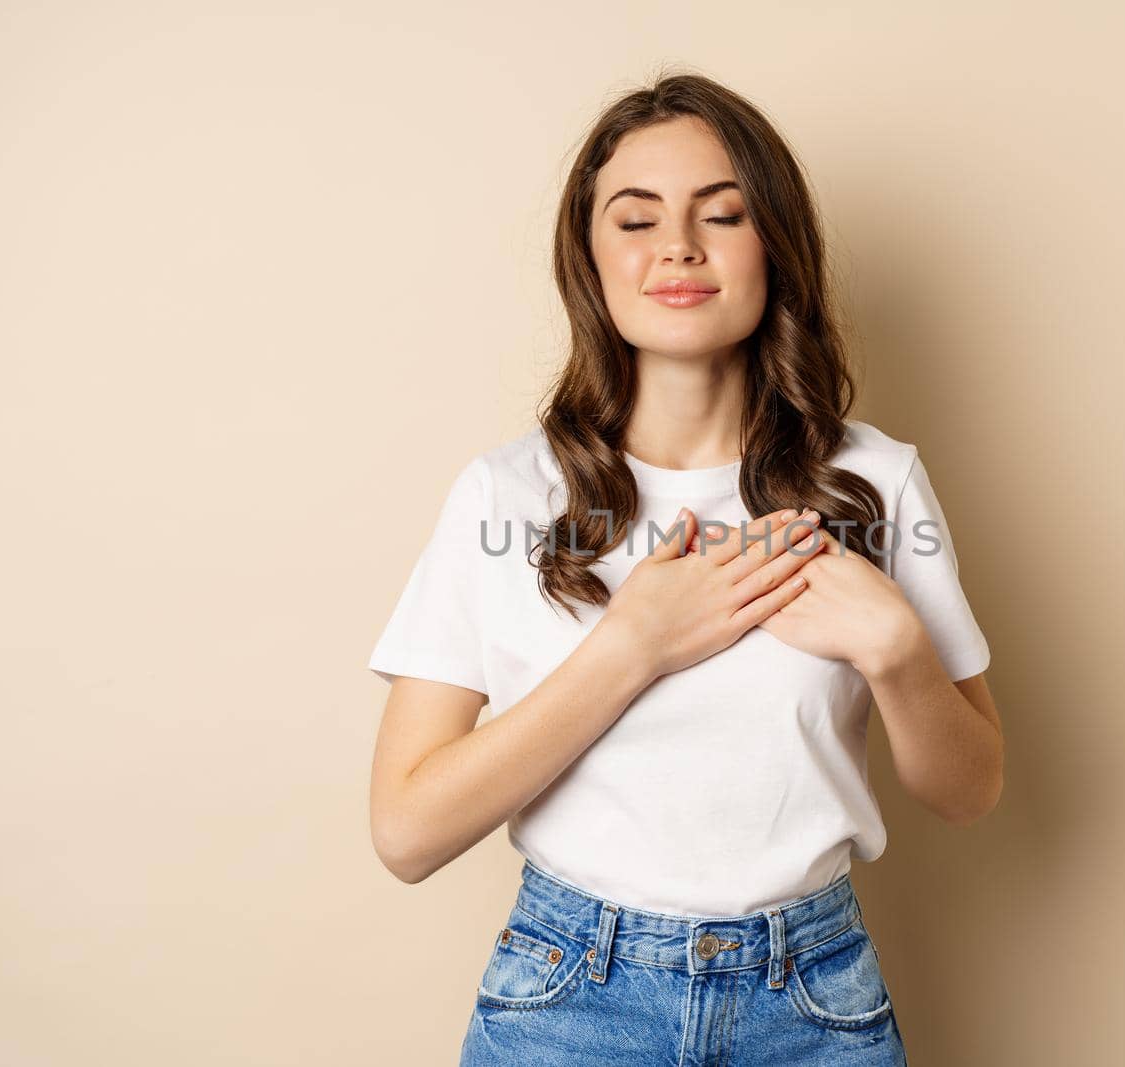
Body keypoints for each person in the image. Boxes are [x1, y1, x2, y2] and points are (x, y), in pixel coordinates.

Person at [365, 72, 1004, 1067]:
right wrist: (633, 645)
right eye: (635, 218)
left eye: (724, 213)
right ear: (589, 256)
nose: (677, 246)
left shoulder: (873, 483)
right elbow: (406, 831)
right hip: (569, 997)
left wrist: (896, 651)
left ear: (775, 249)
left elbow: (969, 790)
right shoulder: (505, 496)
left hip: (813, 999)